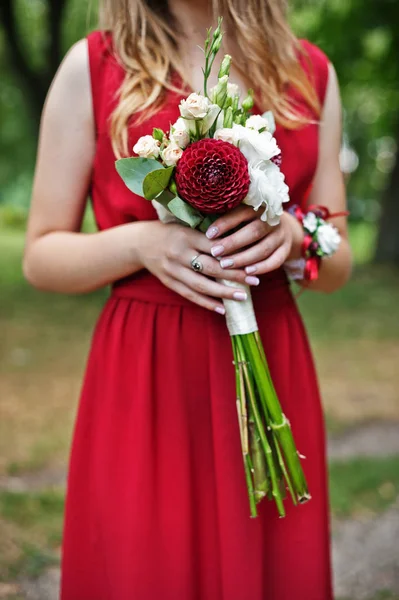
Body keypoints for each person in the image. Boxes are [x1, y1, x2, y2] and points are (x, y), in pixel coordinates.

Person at [23, 0, 351, 598]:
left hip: (270, 351)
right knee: (149, 563)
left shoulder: (309, 73)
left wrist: (295, 233)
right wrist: (139, 244)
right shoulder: (93, 66)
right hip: (146, 368)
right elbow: (41, 257)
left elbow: (338, 262)